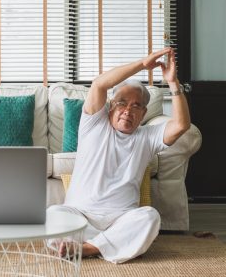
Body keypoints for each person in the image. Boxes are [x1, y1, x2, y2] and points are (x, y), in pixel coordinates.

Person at [48, 48, 190, 263]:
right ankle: (106, 245)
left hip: (122, 221)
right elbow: (99, 84)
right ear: (111, 106)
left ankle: (86, 248)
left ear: (143, 113)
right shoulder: (94, 123)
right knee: (54, 213)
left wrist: (173, 82)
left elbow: (181, 125)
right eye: (122, 103)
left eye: (136, 106)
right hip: (80, 217)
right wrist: (143, 64)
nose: (128, 111)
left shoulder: (147, 137)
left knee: (149, 216)